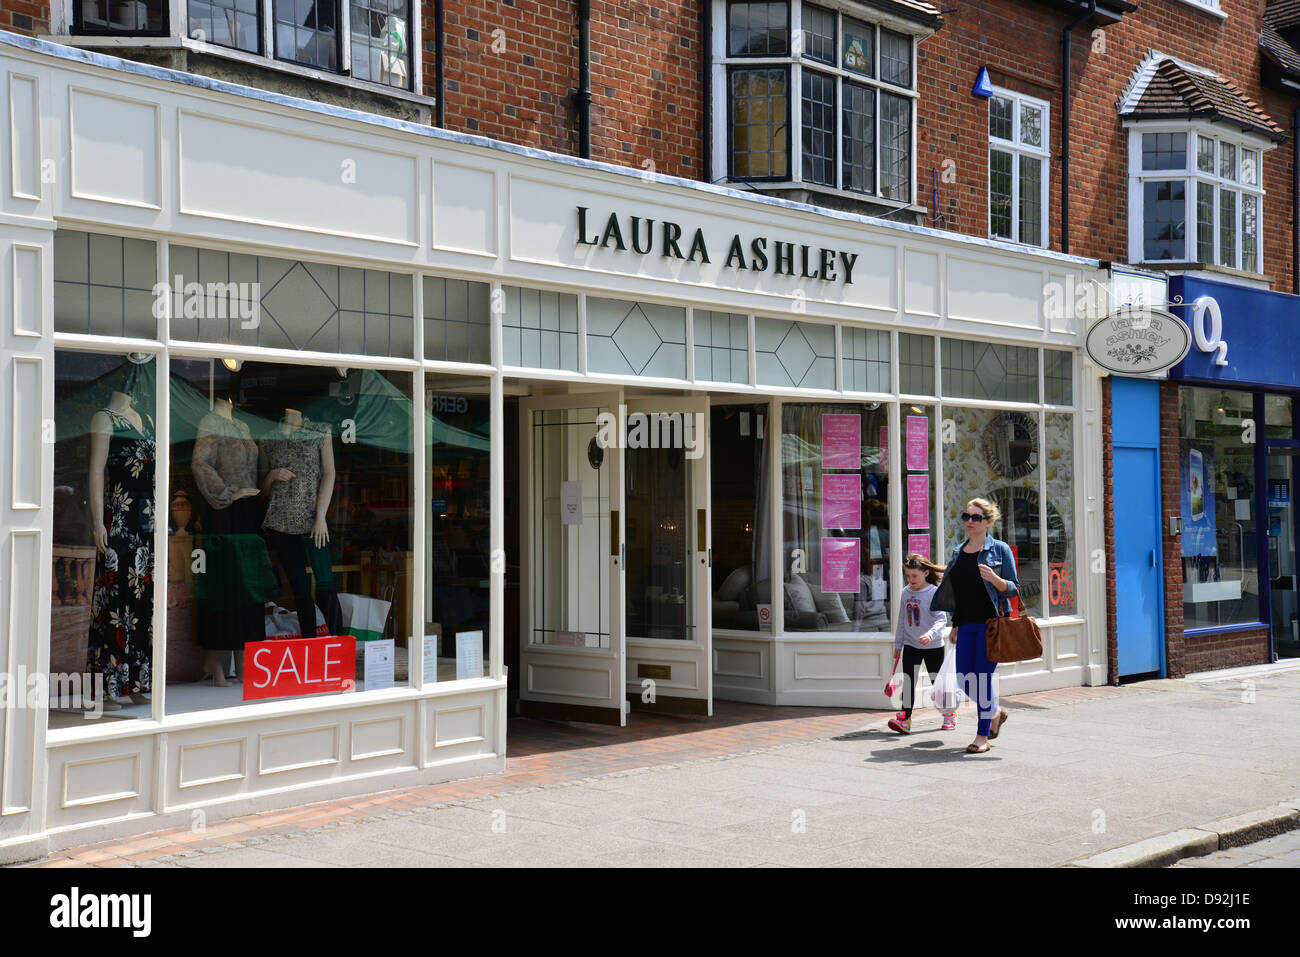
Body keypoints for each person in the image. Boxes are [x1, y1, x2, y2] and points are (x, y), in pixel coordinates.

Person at [933, 497, 1018, 754]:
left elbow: (1014, 589)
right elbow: (958, 594)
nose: (969, 521)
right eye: (966, 516)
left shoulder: (1000, 550)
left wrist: (995, 579)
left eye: (976, 517)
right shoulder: (959, 551)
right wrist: (955, 625)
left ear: (988, 522)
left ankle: (982, 737)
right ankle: (995, 712)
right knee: (962, 678)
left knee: (981, 679)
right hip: (966, 624)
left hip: (992, 625)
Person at [887, 554, 953, 734]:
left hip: (933, 647)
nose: (910, 580)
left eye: (914, 576)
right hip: (910, 645)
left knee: (937, 683)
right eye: (907, 576)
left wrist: (930, 635)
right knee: (908, 683)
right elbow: (901, 619)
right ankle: (905, 719)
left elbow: (942, 619)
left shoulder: (933, 592)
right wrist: (898, 644)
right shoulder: (905, 592)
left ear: (926, 573)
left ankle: (949, 715)